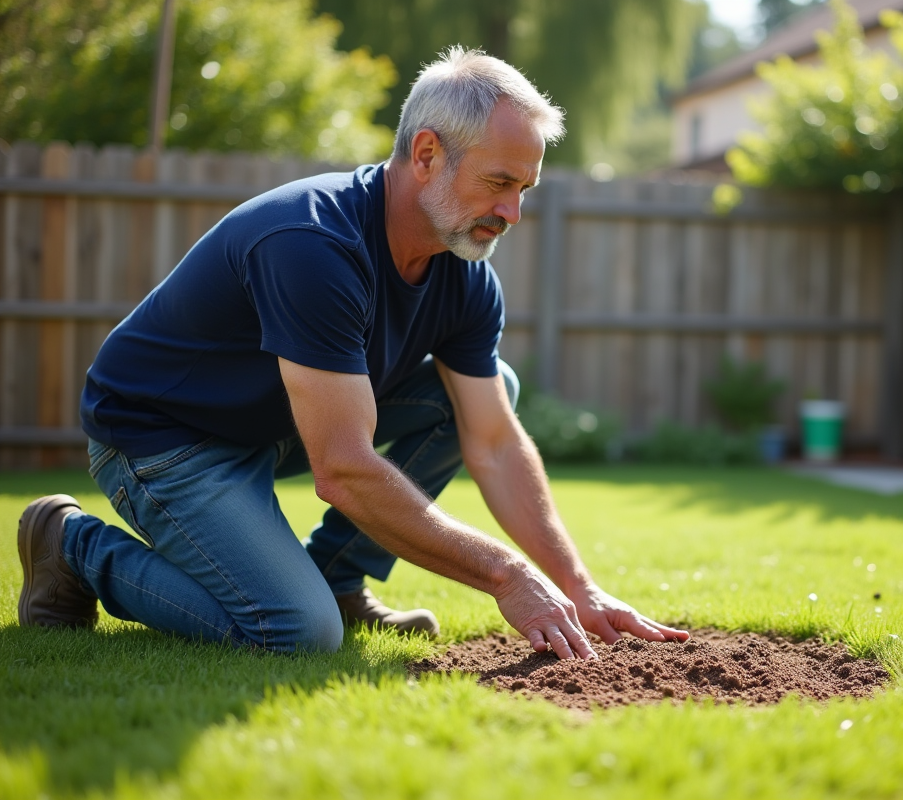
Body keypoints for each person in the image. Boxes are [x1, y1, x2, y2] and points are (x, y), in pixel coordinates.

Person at [16, 46, 688, 658]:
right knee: (295, 633)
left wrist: (578, 586)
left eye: (524, 190)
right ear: (426, 154)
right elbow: (342, 467)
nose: (512, 212)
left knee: (493, 389)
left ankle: (339, 578)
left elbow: (494, 442)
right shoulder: (312, 244)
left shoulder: (465, 276)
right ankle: (73, 547)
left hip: (270, 424)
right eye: (498, 183)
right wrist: (506, 574)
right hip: (163, 438)